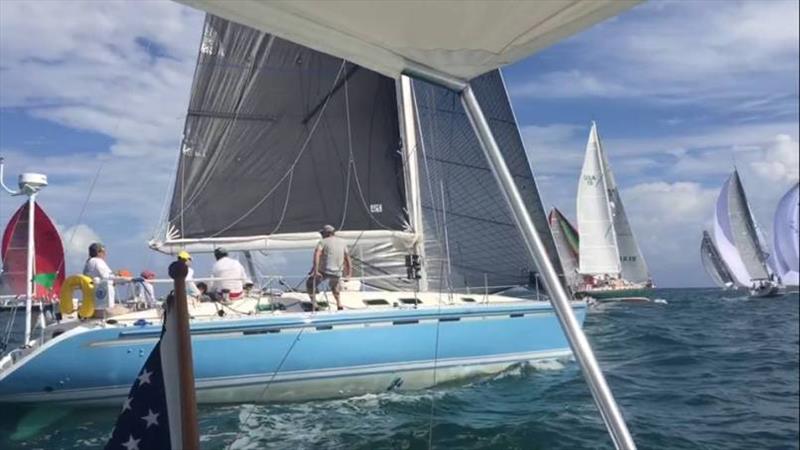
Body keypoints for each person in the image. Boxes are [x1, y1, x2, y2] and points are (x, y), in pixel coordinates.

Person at [307, 224, 352, 311]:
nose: (322, 235)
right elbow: (348, 259)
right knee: (334, 286)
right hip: (338, 272)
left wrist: (315, 271)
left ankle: (315, 304)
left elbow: (317, 256)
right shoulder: (342, 242)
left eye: (322, 233)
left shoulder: (322, 242)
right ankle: (339, 304)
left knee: (310, 283)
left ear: (326, 233)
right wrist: (349, 274)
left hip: (324, 271)